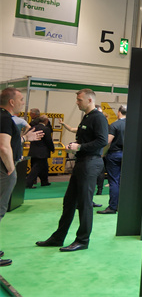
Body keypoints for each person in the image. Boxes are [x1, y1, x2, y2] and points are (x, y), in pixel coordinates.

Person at [36, 89, 108, 252]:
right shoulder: (87, 117)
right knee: (69, 202)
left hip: (90, 163)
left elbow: (102, 141)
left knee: (84, 204)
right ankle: (58, 238)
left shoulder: (98, 118)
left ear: (90, 100)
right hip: (82, 162)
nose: (77, 102)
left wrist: (80, 147)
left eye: (79, 100)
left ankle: (82, 240)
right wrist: (74, 147)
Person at [1, 87, 44, 266]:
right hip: (3, 170)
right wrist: (11, 169)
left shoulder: (4, 118)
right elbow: (3, 147)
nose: (22, 103)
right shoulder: (5, 118)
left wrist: (26, 138)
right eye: (20, 100)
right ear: (11, 102)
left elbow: (9, 142)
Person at [98, 105, 126, 215]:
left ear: (119, 112)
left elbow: (108, 141)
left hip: (114, 155)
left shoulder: (115, 125)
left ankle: (113, 206)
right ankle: (123, 205)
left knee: (114, 181)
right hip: (127, 156)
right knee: (124, 181)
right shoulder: (132, 125)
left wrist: (102, 154)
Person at [25, 116, 55, 188]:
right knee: (36, 168)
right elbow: (48, 141)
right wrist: (52, 149)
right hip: (42, 152)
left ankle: (44, 181)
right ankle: (28, 183)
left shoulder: (33, 128)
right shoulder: (46, 129)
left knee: (44, 166)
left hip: (33, 151)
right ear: (46, 121)